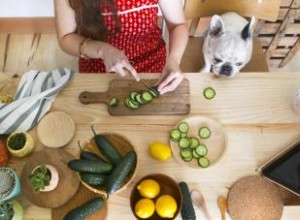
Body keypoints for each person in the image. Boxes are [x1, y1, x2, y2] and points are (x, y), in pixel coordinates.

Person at [54, 0, 188, 94]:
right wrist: (103, 50)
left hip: (152, 64)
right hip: (98, 67)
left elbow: (177, 25)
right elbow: (65, 37)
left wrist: (174, 60)